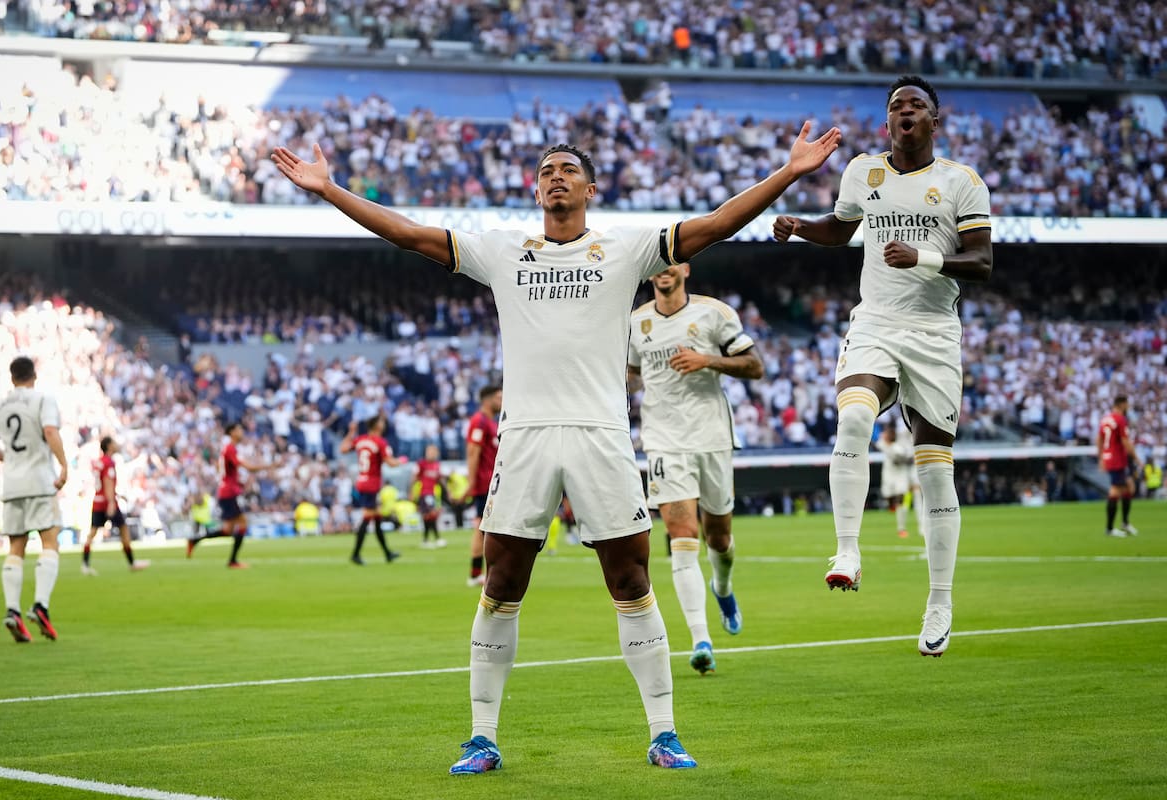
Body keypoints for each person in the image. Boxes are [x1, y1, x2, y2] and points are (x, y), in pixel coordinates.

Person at [272, 117, 840, 772]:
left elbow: (711, 225)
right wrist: (329, 189)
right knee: (503, 581)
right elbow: (407, 234)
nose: (556, 177)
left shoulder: (624, 251)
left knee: (630, 579)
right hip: (527, 437)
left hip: (602, 437)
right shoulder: (502, 250)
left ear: (591, 189)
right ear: (535, 190)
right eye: (546, 171)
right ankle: (483, 736)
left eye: (568, 169)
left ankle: (664, 732)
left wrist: (790, 174)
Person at [773, 75, 993, 658]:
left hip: (935, 334)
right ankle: (847, 550)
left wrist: (922, 256)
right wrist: (800, 227)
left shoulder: (961, 183)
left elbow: (982, 261)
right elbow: (839, 230)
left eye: (915, 105)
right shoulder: (863, 173)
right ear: (888, 121)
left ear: (933, 121)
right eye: (896, 106)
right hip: (875, 321)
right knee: (852, 420)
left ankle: (939, 602)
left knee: (934, 469)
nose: (904, 112)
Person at [627, 261, 763, 675]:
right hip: (664, 440)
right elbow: (632, 373)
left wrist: (708, 360)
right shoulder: (635, 322)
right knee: (681, 534)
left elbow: (755, 367)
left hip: (712, 436)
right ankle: (700, 639)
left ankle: (722, 587)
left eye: (669, 266)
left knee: (718, 537)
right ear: (650, 275)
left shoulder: (714, 313)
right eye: (656, 268)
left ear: (684, 269)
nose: (663, 273)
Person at [0, 356, 69, 642]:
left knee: (16, 546)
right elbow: (50, 431)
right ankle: (41, 605)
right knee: (49, 540)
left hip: (12, 484)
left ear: (11, 377)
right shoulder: (42, 399)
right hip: (40, 481)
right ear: (34, 375)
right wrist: (63, 464)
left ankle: (12, 611)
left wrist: (12, 459)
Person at [187, 421, 274, 568]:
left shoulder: (229, 449)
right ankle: (232, 561)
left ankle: (195, 540)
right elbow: (248, 467)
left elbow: (230, 470)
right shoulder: (230, 449)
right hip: (228, 493)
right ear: (232, 432)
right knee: (242, 524)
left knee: (227, 530)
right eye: (239, 430)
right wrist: (268, 466)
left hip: (227, 492)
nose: (241, 432)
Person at [82, 436, 150, 575]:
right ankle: (132, 562)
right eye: (113, 442)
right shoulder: (108, 462)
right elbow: (107, 482)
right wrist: (112, 501)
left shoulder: (100, 462)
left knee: (93, 532)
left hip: (98, 500)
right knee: (123, 529)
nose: (116, 444)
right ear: (108, 446)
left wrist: (117, 494)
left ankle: (85, 564)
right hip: (108, 502)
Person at [341, 416, 405, 564]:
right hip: (372, 483)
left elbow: (343, 449)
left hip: (362, 481)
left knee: (377, 518)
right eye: (382, 422)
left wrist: (351, 432)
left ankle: (387, 553)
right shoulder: (380, 442)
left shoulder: (360, 440)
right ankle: (355, 554)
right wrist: (402, 460)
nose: (384, 424)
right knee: (367, 517)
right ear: (377, 426)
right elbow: (390, 463)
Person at [464, 385, 502, 586]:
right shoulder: (479, 421)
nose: (502, 400)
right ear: (487, 400)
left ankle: (479, 574)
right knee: (483, 528)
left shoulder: (489, 422)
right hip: (484, 483)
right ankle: (476, 574)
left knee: (486, 528)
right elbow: (473, 451)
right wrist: (471, 482)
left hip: (492, 482)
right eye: (498, 397)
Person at [1098, 395, 1138, 536]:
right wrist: (1136, 458)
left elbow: (1099, 439)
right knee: (1115, 490)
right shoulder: (1120, 419)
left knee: (1129, 487)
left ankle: (1125, 523)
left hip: (1111, 458)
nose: (1128, 407)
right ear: (1122, 404)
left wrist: (1101, 457)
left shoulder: (1105, 419)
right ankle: (1110, 528)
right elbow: (1125, 441)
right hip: (1118, 459)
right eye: (1127, 404)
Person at [876, 424, 918, 539]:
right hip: (888, 475)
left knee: (900, 498)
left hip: (900, 475)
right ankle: (892, 505)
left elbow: (908, 458)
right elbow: (876, 444)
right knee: (889, 497)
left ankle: (901, 528)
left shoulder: (898, 448)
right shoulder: (883, 444)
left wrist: (901, 460)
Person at [414, 443, 447, 548]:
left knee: (429, 517)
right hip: (425, 493)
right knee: (431, 515)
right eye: (429, 452)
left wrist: (448, 491)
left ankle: (426, 540)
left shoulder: (437, 465)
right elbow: (414, 477)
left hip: (434, 494)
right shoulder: (421, 464)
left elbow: (440, 479)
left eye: (433, 452)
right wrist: (411, 492)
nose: (431, 454)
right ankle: (436, 538)